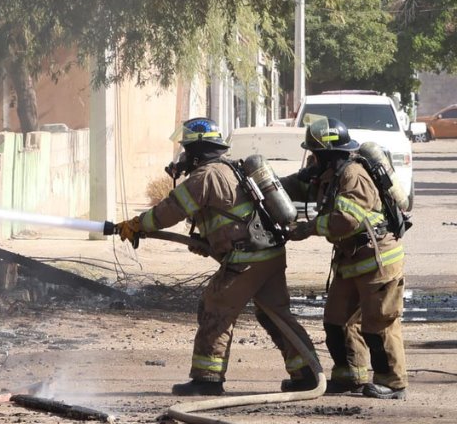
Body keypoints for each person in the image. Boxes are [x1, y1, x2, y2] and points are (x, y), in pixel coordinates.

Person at [118, 117, 318, 396]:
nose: (184, 156)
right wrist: (209, 241)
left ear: (198, 150)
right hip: (268, 255)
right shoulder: (230, 168)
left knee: (216, 308)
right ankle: (306, 373)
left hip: (247, 259)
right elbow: (226, 218)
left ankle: (207, 379)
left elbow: (170, 210)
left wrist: (138, 224)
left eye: (187, 149)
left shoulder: (206, 176)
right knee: (276, 315)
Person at [280, 117, 407, 400]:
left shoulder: (353, 175)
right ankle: (350, 375)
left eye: (315, 153)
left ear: (327, 154)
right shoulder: (330, 176)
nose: (312, 159)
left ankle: (393, 382)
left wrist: (308, 228)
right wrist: (269, 184)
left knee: (379, 323)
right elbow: (300, 187)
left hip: (378, 261)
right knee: (337, 320)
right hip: (351, 260)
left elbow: (345, 220)